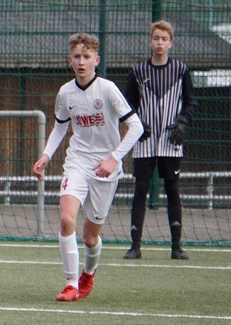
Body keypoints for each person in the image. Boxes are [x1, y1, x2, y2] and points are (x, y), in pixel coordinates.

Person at [32, 33, 144, 302]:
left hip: (106, 169)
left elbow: (136, 127)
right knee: (66, 219)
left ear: (96, 60)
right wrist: (46, 155)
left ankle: (88, 273)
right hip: (77, 162)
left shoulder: (107, 89)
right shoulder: (65, 92)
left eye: (86, 56)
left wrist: (112, 160)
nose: (81, 62)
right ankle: (71, 284)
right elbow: (61, 127)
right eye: (76, 57)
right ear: (70, 60)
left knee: (90, 238)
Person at [122, 20, 200, 260]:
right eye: (156, 38)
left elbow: (191, 101)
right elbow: (127, 104)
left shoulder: (181, 70)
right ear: (150, 41)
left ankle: (176, 247)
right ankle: (135, 246)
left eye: (164, 39)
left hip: (170, 140)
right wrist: (137, 123)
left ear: (170, 43)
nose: (159, 43)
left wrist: (182, 123)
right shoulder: (138, 71)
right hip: (145, 141)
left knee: (172, 190)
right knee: (140, 190)